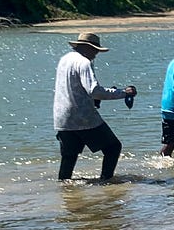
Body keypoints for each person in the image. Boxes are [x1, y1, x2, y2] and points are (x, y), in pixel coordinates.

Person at [52, 31, 136, 181]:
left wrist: (95, 99)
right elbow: (94, 91)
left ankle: (64, 189)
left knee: (69, 156)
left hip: (62, 117)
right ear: (88, 48)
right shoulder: (84, 62)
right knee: (113, 147)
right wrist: (123, 93)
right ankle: (106, 182)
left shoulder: (65, 59)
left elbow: (75, 88)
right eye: (96, 50)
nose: (96, 54)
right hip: (83, 118)